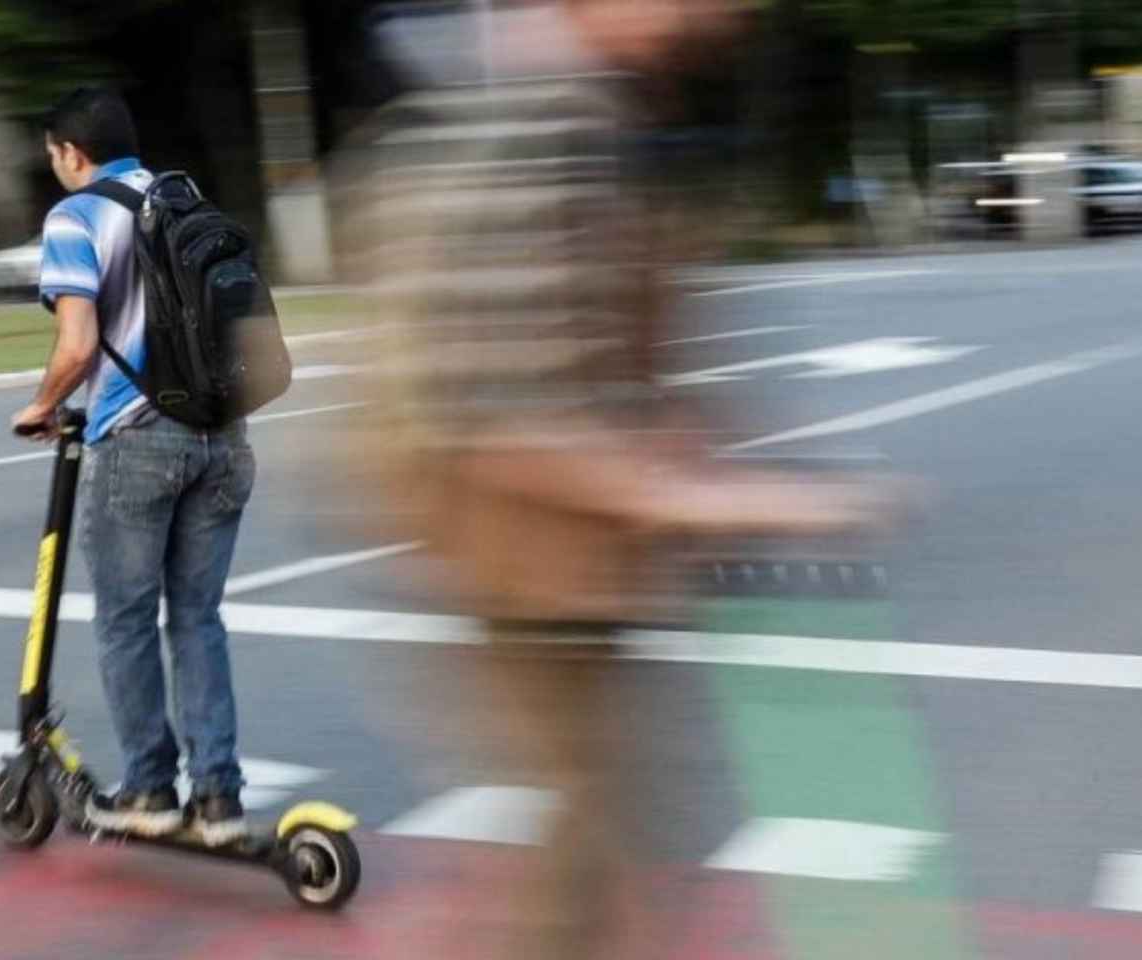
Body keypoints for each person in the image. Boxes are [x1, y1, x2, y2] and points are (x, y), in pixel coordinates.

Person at [339, 2, 893, 957]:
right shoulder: (526, 115)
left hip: (568, 561)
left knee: (596, 842)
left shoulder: (596, 105)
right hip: (516, 560)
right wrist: (702, 496)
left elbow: (594, 347)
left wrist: (685, 449)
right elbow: (490, 412)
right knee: (577, 864)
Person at [11, 88, 255, 846]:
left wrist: (40, 404)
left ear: (69, 154)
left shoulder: (74, 218)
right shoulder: (181, 197)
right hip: (223, 436)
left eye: (53, 154)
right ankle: (218, 798)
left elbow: (78, 345)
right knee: (197, 618)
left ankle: (150, 787)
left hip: (139, 437)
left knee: (124, 620)